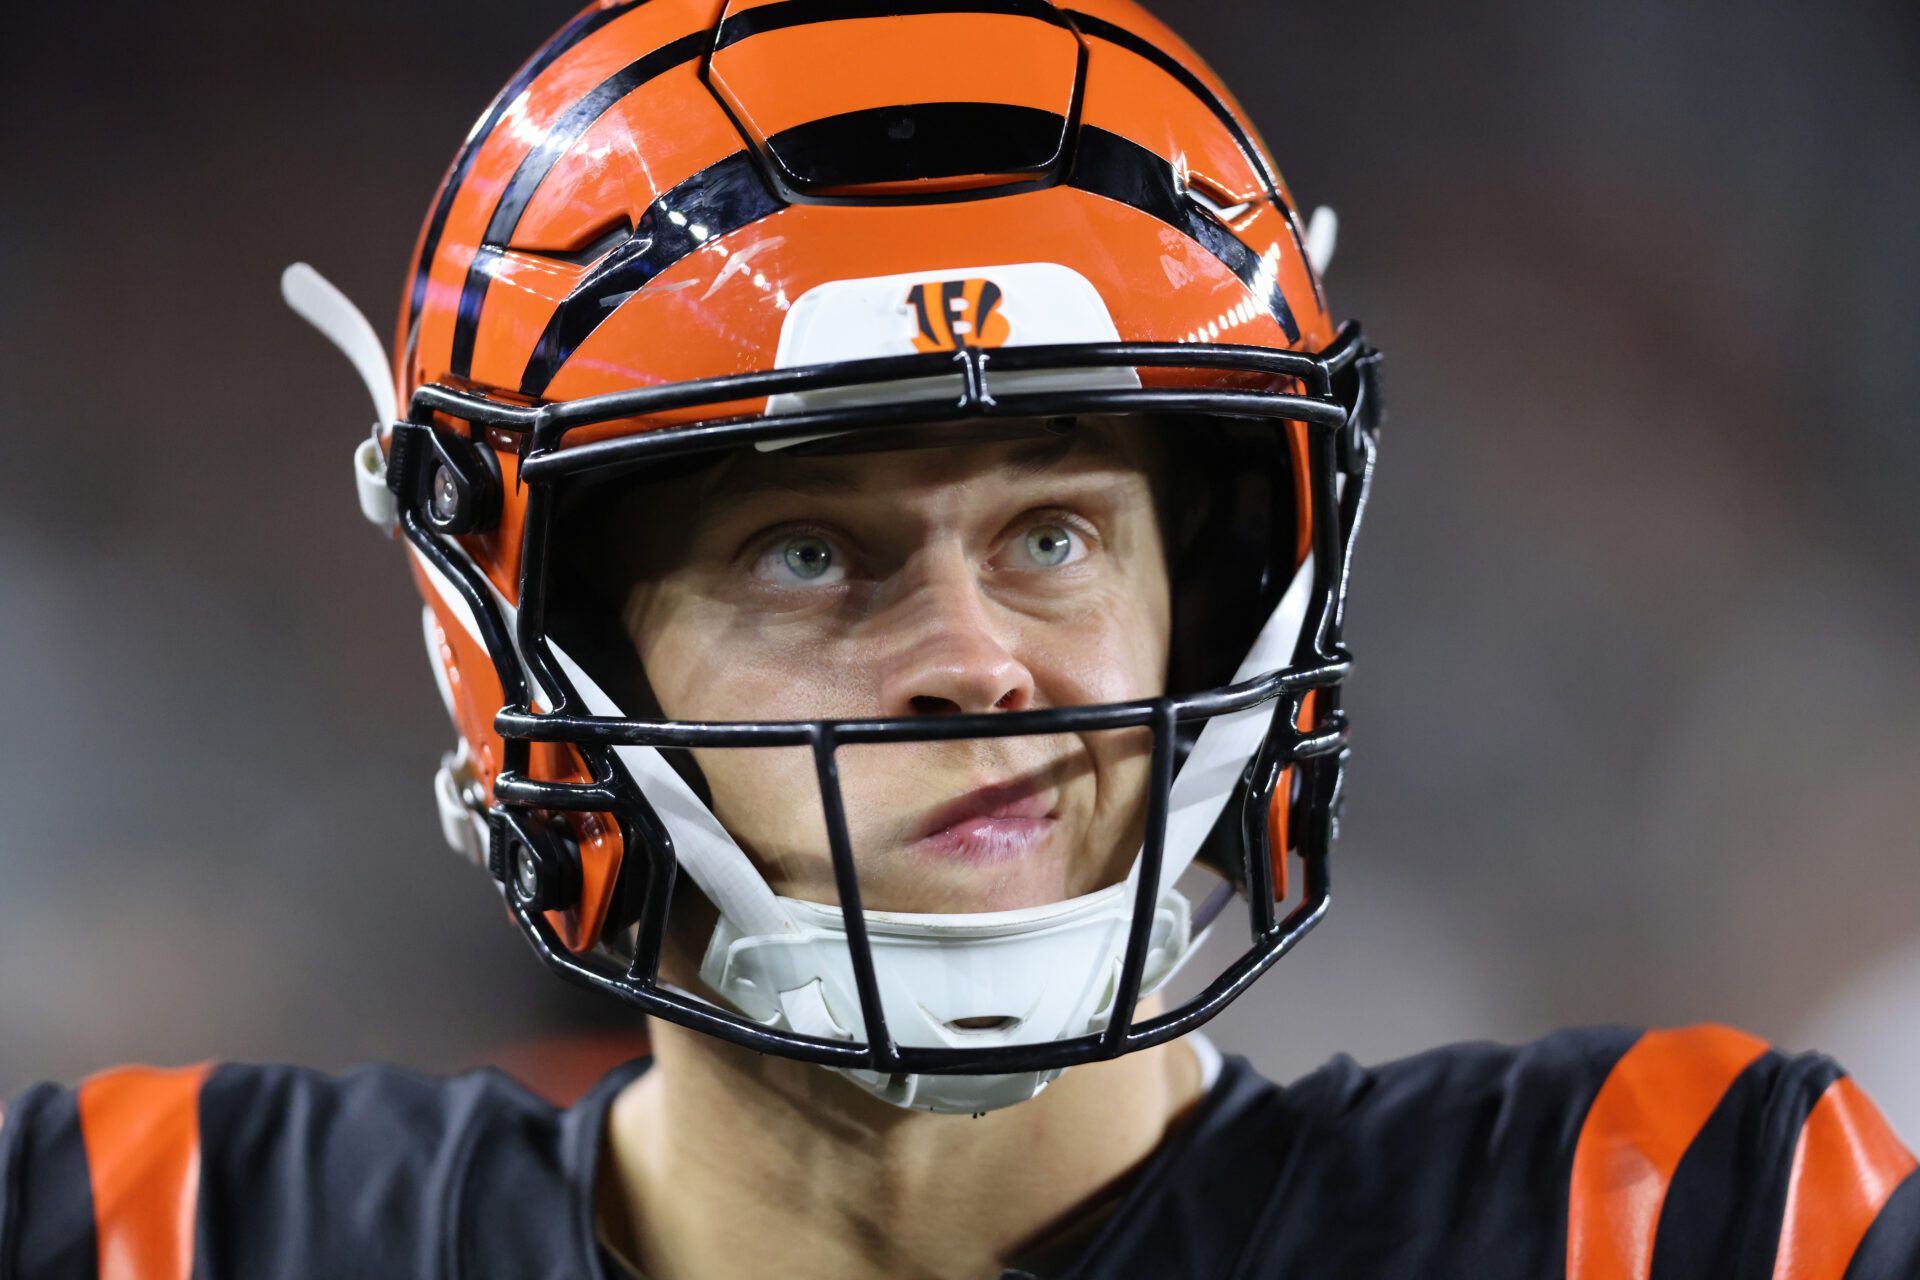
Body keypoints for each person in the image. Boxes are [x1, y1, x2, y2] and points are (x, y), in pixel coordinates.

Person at [3, 2, 1915, 1277]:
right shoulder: (149, 1229)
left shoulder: (1677, 1216)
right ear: (546, 646)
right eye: (813, 555)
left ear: (1223, 587)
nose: (982, 662)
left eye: (1058, 533)